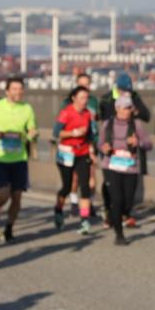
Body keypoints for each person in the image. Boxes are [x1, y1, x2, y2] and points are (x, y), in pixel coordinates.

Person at [0, 78, 37, 243]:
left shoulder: (27, 108)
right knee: (4, 193)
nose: (18, 92)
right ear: (7, 91)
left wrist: (31, 134)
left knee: (17, 197)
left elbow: (32, 128)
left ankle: (9, 227)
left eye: (20, 89)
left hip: (19, 158)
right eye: (14, 89)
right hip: (0, 157)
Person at [98, 95, 152, 245]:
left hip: (130, 167)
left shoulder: (136, 125)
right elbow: (100, 144)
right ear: (117, 109)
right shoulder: (107, 125)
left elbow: (149, 144)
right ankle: (119, 234)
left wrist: (138, 142)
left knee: (128, 202)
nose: (128, 111)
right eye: (125, 108)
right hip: (111, 166)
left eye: (130, 108)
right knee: (117, 200)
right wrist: (104, 147)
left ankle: (120, 215)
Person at [53, 87, 96, 235]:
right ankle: (58, 210)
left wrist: (91, 150)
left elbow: (90, 135)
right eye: (82, 97)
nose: (85, 101)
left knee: (85, 187)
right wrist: (73, 132)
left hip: (82, 152)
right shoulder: (66, 112)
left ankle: (84, 219)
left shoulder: (88, 114)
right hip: (66, 153)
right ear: (74, 98)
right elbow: (56, 132)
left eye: (87, 98)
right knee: (66, 186)